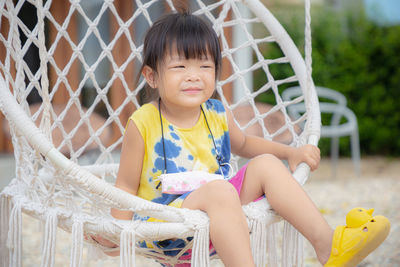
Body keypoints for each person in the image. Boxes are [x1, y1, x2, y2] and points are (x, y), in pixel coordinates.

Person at [94, 11, 390, 267]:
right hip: (167, 228)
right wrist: (118, 233)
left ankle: (329, 246)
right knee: (221, 191)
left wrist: (290, 153)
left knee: (265, 164)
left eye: (204, 66)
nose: (194, 76)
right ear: (152, 76)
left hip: (219, 220)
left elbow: (246, 145)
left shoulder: (216, 113)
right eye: (180, 67)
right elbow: (125, 185)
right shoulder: (143, 122)